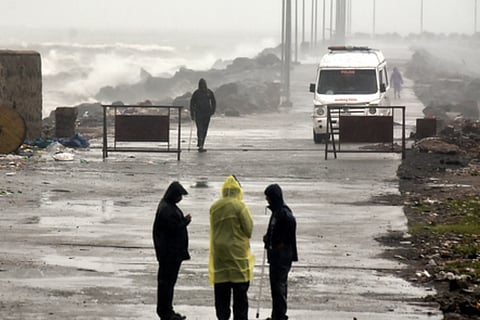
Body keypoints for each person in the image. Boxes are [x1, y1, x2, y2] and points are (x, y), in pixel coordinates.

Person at [209, 175, 255, 320]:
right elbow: (249, 230)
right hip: (238, 258)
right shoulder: (240, 207)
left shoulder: (215, 207)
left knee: (221, 297)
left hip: (219, 257)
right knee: (240, 297)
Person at [152, 181, 191, 320]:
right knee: (166, 283)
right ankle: (165, 311)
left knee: (167, 283)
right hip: (169, 254)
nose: (180, 198)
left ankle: (167, 309)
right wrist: (185, 222)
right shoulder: (167, 209)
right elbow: (172, 229)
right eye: (179, 195)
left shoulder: (167, 206)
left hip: (170, 253)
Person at [263, 184, 298, 320]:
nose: (267, 200)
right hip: (277, 256)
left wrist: (281, 243)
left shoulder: (283, 213)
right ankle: (277, 314)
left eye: (268, 197)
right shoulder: (277, 212)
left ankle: (280, 316)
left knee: (279, 287)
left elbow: (291, 226)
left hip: (281, 257)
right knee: (276, 287)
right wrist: (269, 238)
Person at [190, 78, 216, 153]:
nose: (202, 85)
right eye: (201, 84)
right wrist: (192, 113)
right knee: (200, 129)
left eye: (203, 84)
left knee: (204, 130)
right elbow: (192, 103)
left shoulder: (209, 92)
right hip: (199, 114)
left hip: (207, 114)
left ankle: (201, 144)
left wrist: (212, 110)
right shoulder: (197, 93)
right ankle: (200, 145)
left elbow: (213, 101)